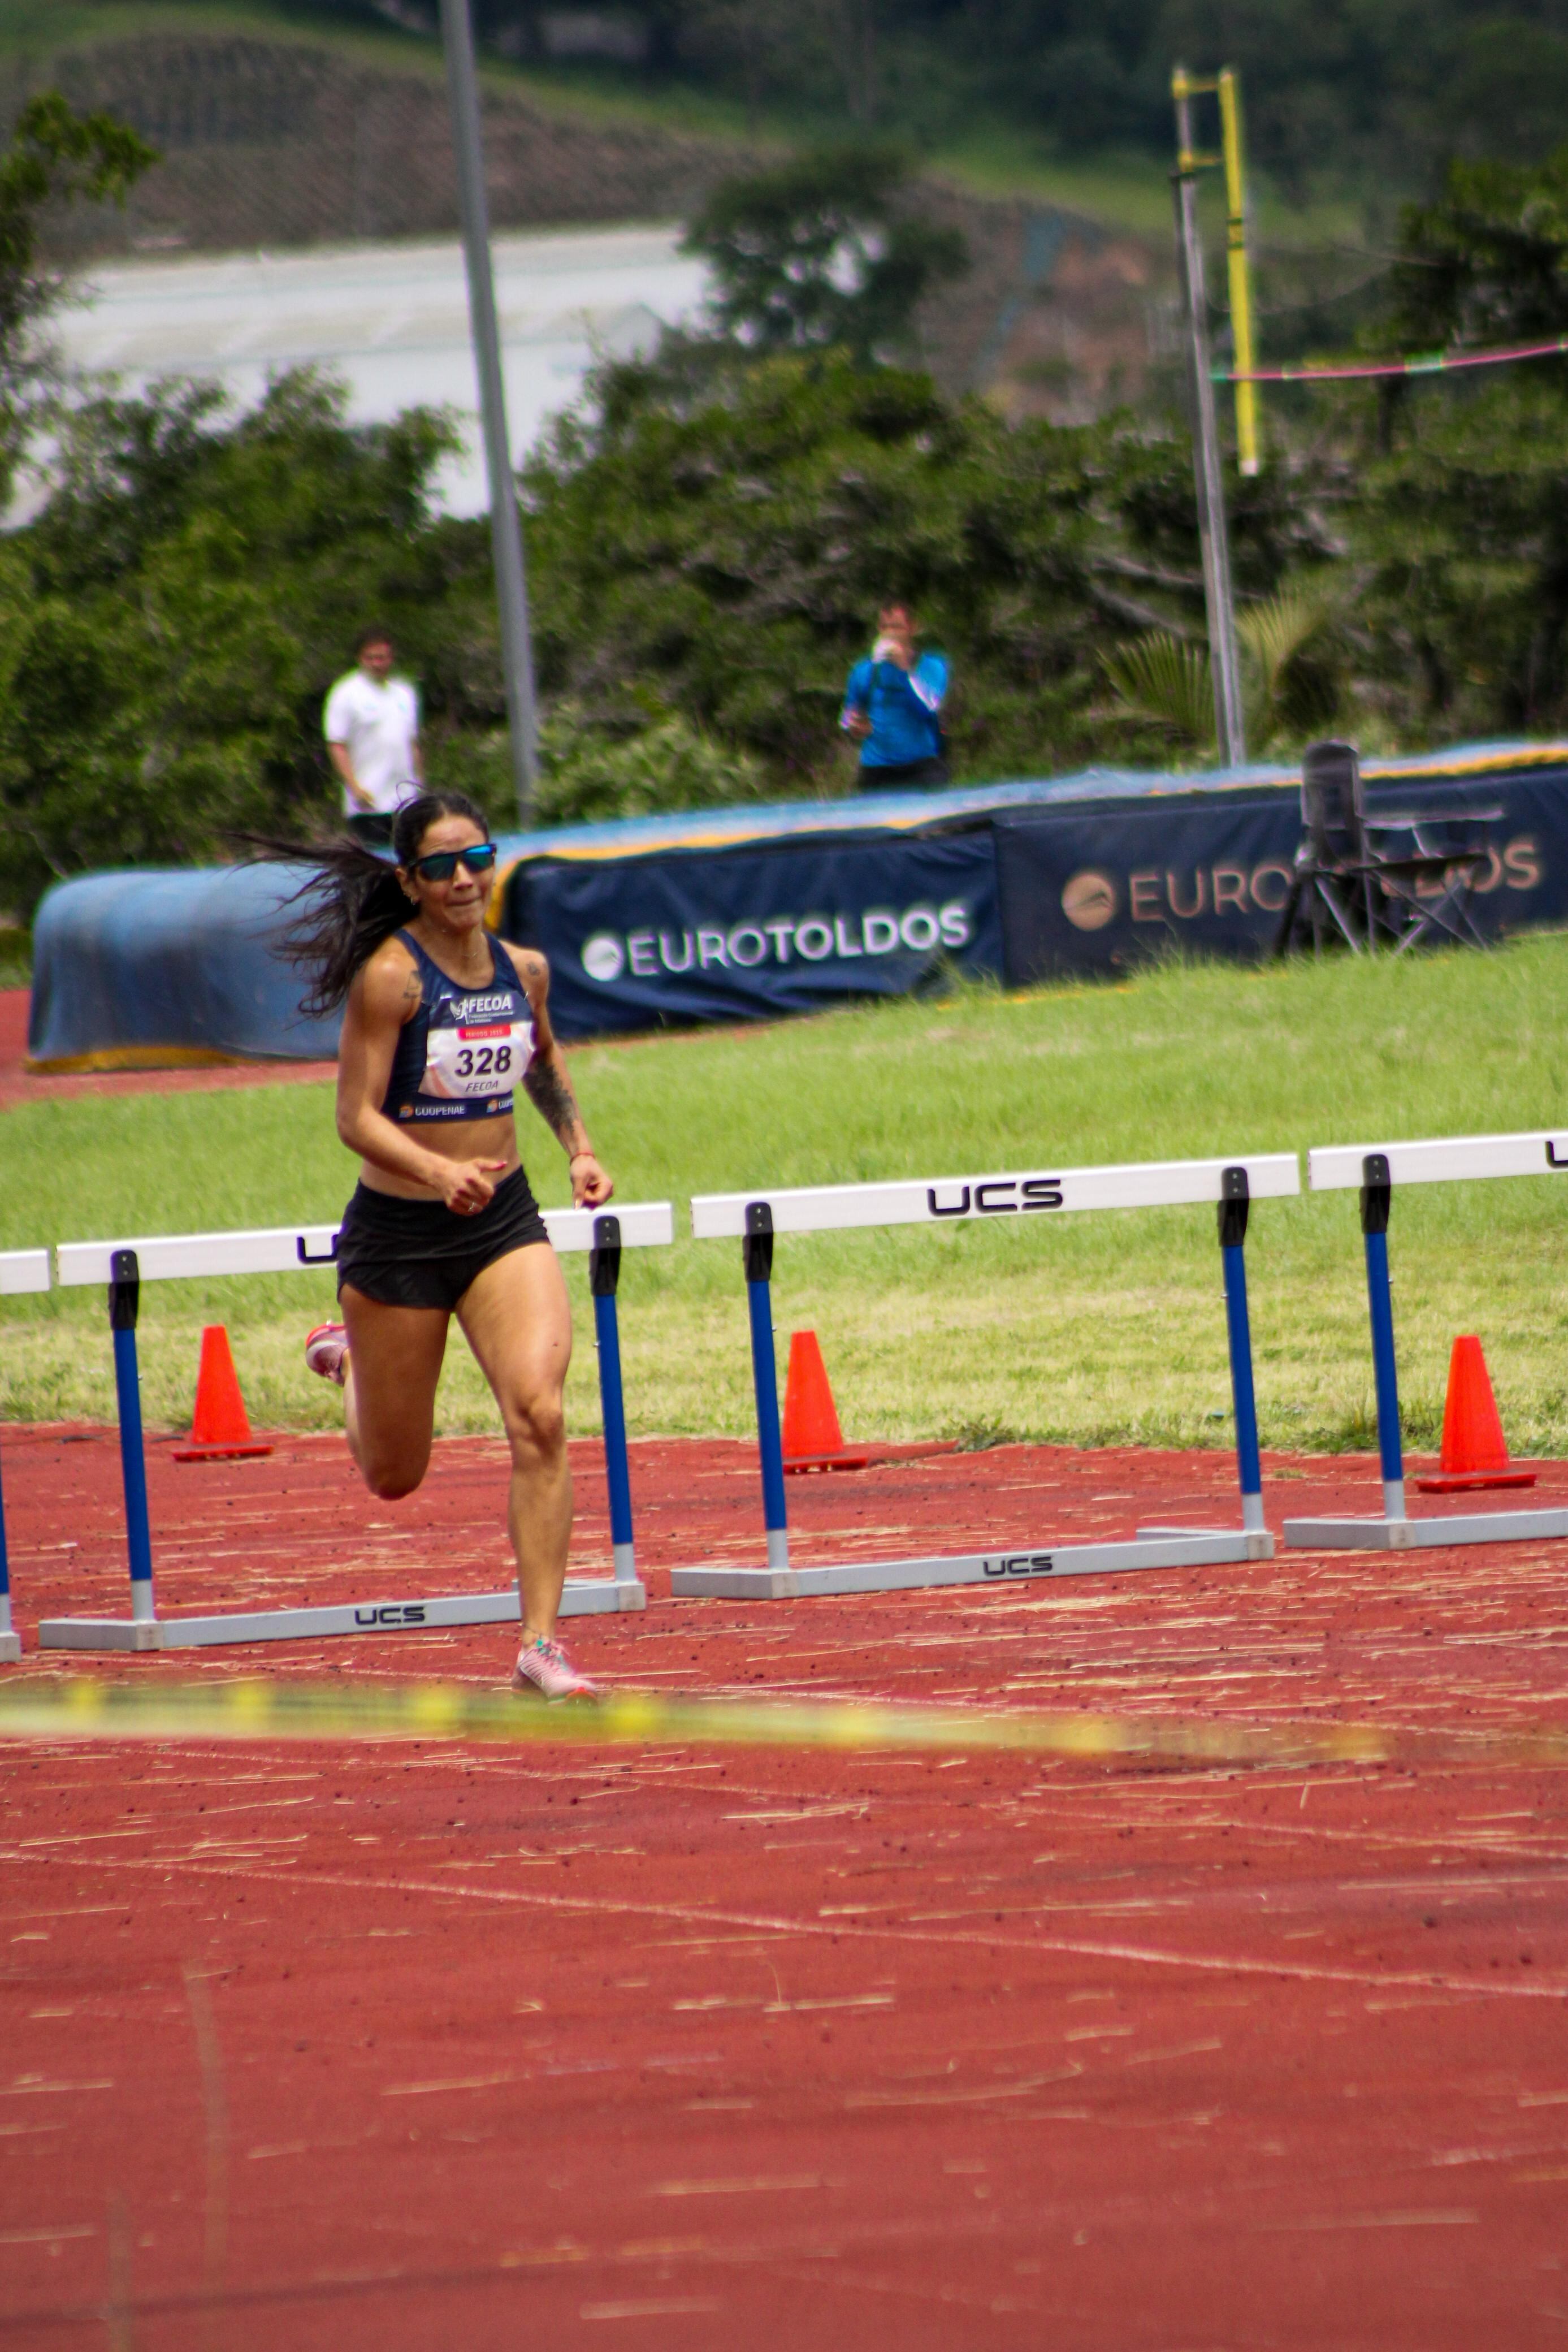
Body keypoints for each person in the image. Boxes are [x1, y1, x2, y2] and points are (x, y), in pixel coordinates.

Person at [276, 789, 612, 1701]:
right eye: (440, 866)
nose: (463, 879)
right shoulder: (392, 978)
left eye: (477, 859)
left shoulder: (524, 969)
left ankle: (540, 1644)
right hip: (400, 1232)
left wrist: (577, 1148)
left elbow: (538, 1059)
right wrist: (433, 1171)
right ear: (409, 880)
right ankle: (353, 1367)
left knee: (539, 1412)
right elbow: (353, 1118)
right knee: (395, 1473)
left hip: (501, 1221)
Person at [323, 626, 423, 845]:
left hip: (405, 801)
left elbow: (412, 743)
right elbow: (337, 744)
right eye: (372, 658)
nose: (378, 663)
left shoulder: (404, 693)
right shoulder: (346, 693)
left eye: (383, 657)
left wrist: (419, 783)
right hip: (369, 804)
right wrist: (354, 787)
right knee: (377, 868)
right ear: (361, 658)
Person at [840, 600, 950, 790]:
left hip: (921, 766)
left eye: (897, 627)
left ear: (912, 628)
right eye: (885, 627)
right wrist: (854, 725)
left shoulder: (931, 666)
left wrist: (904, 669)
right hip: (877, 768)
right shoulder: (865, 671)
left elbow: (928, 709)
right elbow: (848, 715)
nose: (890, 633)